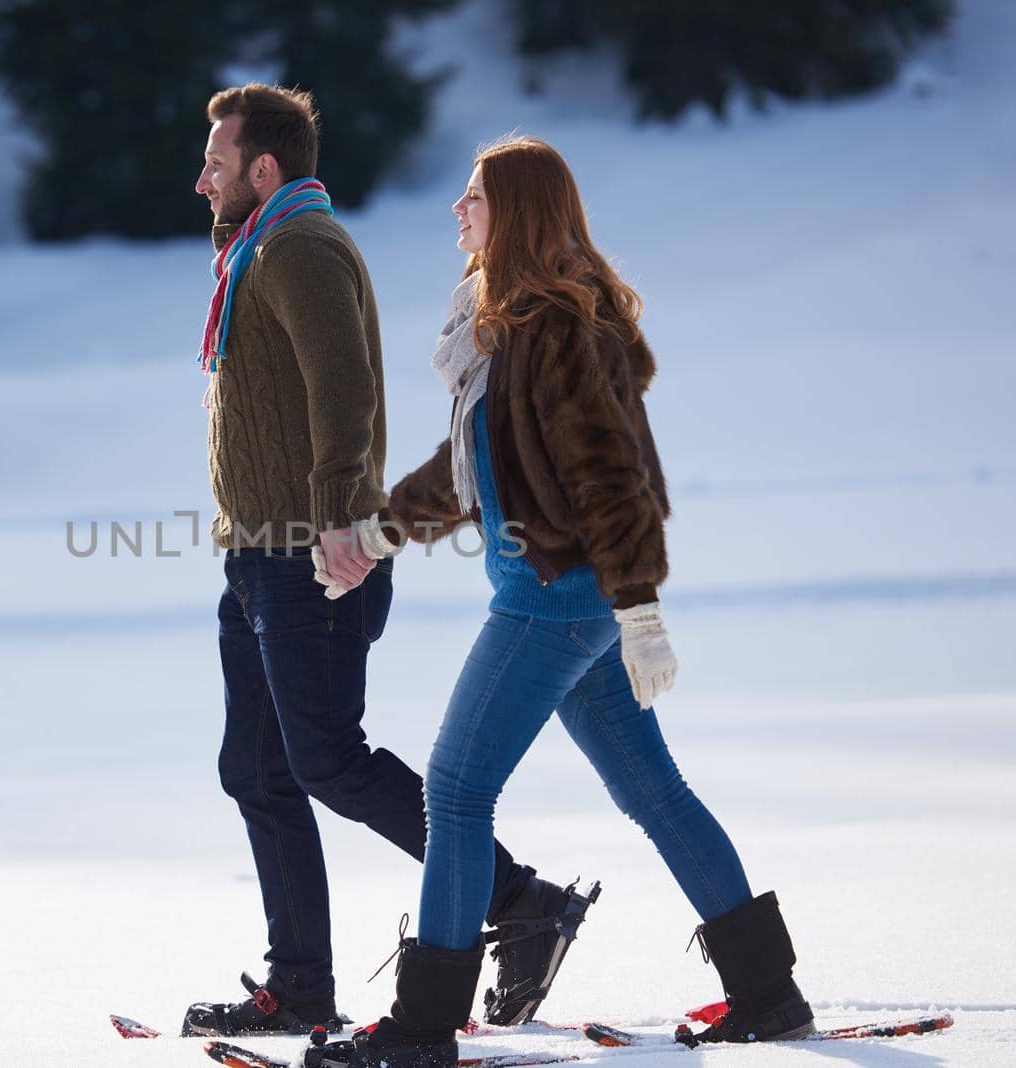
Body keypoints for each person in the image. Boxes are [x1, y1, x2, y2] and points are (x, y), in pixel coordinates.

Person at [312, 137, 813, 1067]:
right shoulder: (507, 331)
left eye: (472, 197)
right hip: (565, 601)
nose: (456, 212)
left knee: (456, 791)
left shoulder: (558, 332)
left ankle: (422, 1030)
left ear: (518, 210)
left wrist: (641, 609)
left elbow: (612, 478)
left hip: (556, 601)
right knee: (652, 791)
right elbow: (473, 476)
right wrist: (377, 536)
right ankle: (769, 994)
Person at [183, 87, 596, 1039]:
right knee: (256, 768)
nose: (200, 176)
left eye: (215, 160)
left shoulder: (302, 250)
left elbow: (346, 393)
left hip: (306, 557)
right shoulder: (258, 250)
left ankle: (524, 900)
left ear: (264, 169)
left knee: (326, 760)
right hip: (254, 557)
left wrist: (339, 525)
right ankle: (301, 986)